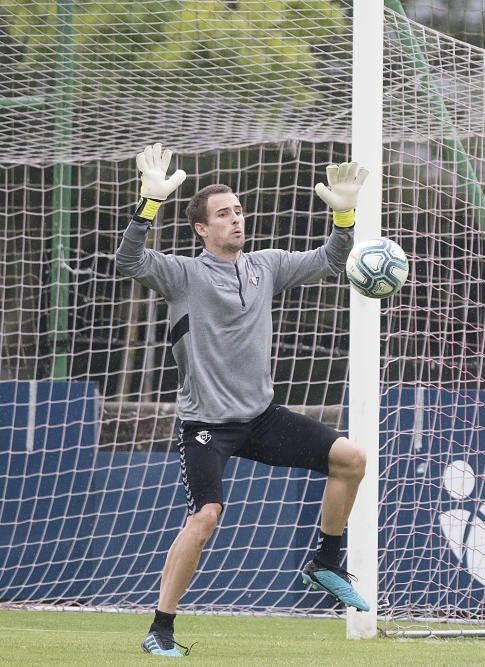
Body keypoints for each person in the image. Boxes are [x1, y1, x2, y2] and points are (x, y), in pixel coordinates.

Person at [116, 144, 371, 657]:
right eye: (224, 214)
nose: (236, 220)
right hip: (206, 424)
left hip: (260, 417)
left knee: (351, 459)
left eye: (238, 211)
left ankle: (325, 560)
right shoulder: (182, 275)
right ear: (201, 229)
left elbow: (331, 259)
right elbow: (129, 259)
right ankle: (160, 630)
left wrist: (344, 217)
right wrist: (149, 204)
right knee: (205, 516)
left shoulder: (266, 266)